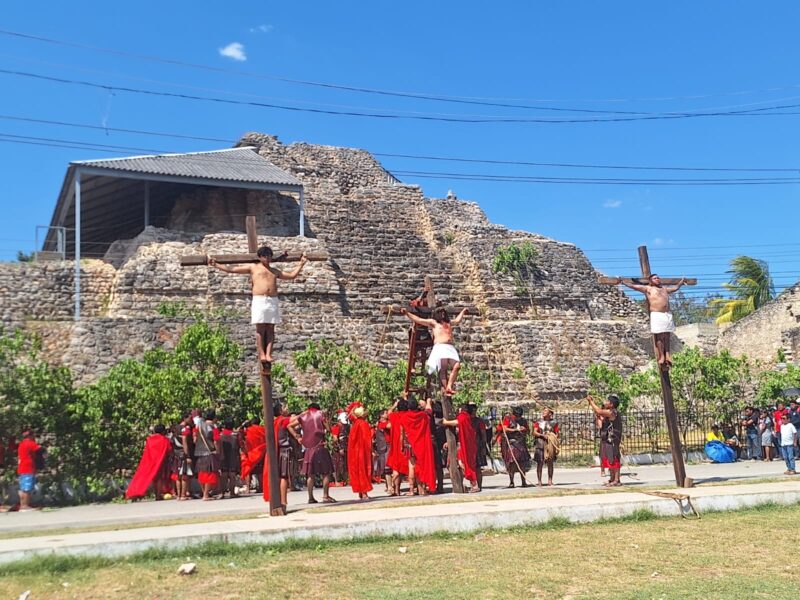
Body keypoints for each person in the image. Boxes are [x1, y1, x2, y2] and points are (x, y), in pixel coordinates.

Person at [209, 246, 308, 366]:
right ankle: (262, 354)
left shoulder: (274, 271)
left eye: (269, 256)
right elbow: (233, 269)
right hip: (259, 300)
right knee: (260, 329)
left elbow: (291, 276)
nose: (267, 258)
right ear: (260, 257)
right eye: (265, 256)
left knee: (270, 328)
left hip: (272, 300)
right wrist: (216, 265)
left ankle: (268, 354)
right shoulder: (253, 267)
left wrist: (301, 264)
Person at [615, 274, 686, 369]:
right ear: (650, 281)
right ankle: (661, 356)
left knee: (667, 336)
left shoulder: (664, 289)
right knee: (659, 337)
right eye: (655, 278)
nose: (657, 279)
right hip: (657, 314)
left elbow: (675, 288)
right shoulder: (648, 289)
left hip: (667, 314)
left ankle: (668, 355)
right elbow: (634, 286)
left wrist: (681, 282)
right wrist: (623, 282)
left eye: (658, 278)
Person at [400, 306, 469, 396]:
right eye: (441, 312)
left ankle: (449, 386)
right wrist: (407, 313)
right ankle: (447, 388)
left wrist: (463, 311)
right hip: (440, 346)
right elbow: (419, 320)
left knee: (457, 366)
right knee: (443, 369)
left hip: (450, 347)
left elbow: (457, 320)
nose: (443, 313)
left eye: (443, 312)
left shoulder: (448, 323)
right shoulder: (434, 323)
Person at [288, 403, 336, 504]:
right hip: (320, 446)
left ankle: (310, 497)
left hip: (309, 448)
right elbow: (328, 429)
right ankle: (325, 495)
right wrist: (327, 422)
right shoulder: (321, 414)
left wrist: (297, 437)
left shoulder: (303, 416)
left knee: (310, 474)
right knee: (326, 472)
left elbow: (289, 425)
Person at [126, 424, 173, 501]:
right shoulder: (164, 440)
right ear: (163, 431)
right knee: (159, 479)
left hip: (149, 461)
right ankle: (158, 495)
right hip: (160, 462)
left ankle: (134, 493)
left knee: (146, 478)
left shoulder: (150, 439)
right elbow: (169, 450)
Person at [442, 404, 480, 492]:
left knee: (464, 463)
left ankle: (474, 484)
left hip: (465, 445)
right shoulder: (466, 417)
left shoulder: (464, 416)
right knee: (461, 463)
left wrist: (446, 422)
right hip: (465, 444)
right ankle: (469, 484)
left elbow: (457, 422)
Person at [587, 394, 623, 487]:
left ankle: (617, 480)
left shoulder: (613, 412)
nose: (605, 402)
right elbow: (600, 420)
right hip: (608, 439)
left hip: (613, 439)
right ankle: (612, 478)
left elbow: (599, 411)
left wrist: (591, 402)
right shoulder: (608, 413)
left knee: (614, 458)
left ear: (611, 404)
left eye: (607, 401)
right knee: (610, 458)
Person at [500, 407, 531, 488]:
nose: (518, 417)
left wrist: (525, 429)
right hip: (512, 443)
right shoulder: (508, 419)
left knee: (522, 463)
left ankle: (523, 482)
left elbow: (528, 431)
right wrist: (515, 430)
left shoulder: (523, 421)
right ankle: (511, 482)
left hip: (521, 443)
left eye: (519, 416)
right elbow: (504, 429)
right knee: (512, 463)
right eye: (516, 416)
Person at [348, 405, 374, 500]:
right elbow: (367, 439)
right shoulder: (363, 424)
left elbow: (351, 414)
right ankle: (364, 492)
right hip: (362, 451)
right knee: (364, 470)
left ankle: (360, 492)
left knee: (357, 471)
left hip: (354, 452)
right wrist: (372, 450)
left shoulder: (355, 423)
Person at [193, 409, 220, 501]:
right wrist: (218, 451)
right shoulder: (213, 427)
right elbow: (216, 440)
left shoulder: (198, 426)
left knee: (202, 474)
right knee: (210, 474)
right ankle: (206, 494)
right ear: (214, 417)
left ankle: (204, 492)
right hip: (210, 451)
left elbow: (194, 439)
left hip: (199, 452)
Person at [274, 403, 296, 508]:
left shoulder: (275, 421)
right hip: (284, 450)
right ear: (280, 411)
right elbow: (296, 419)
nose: (287, 408)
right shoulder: (283, 420)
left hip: (278, 451)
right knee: (284, 476)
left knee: (280, 476)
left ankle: (280, 501)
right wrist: (307, 413)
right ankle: (283, 502)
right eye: (284, 407)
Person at [16, 429, 42, 510]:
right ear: (30, 435)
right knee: (27, 488)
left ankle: (23, 504)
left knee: (23, 488)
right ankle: (25, 505)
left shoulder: (21, 444)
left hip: (22, 468)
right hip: (28, 468)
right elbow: (39, 449)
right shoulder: (30, 443)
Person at [533, 408, 560, 486]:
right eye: (543, 411)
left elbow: (557, 433)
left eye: (545, 411)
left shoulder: (554, 423)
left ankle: (550, 480)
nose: (543, 412)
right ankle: (539, 481)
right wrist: (542, 435)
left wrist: (552, 436)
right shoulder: (538, 422)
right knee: (540, 462)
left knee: (550, 462)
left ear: (550, 413)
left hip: (549, 444)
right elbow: (534, 432)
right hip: (540, 443)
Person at [240, 417, 266, 494]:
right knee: (260, 471)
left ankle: (248, 488)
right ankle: (261, 487)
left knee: (248, 470)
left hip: (250, 453)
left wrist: (243, 425)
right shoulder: (263, 429)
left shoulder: (248, 430)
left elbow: (240, 432)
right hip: (261, 452)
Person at [218, 419, 241, 499]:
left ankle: (222, 493)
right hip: (233, 456)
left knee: (223, 475)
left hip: (223, 457)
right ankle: (232, 492)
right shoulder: (235, 435)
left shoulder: (220, 435)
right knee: (232, 475)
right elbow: (240, 445)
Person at [373, 410, 392, 491]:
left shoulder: (381, 423)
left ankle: (388, 486)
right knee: (387, 466)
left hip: (386, 446)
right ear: (381, 415)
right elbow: (390, 426)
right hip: (386, 446)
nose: (387, 414)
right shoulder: (382, 424)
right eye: (385, 413)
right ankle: (390, 487)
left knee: (387, 466)